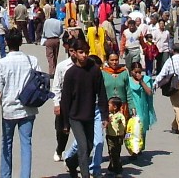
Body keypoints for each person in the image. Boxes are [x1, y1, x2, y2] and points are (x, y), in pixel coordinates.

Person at [0, 28, 40, 178]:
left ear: (6, 42)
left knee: (6, 143)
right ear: (21, 42)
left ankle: (5, 175)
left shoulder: (1, 63)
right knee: (26, 144)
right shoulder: (32, 60)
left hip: (9, 109)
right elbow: (39, 81)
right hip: (28, 108)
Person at [61, 40, 109, 178]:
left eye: (86, 52)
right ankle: (85, 175)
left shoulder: (94, 70)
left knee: (88, 146)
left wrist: (104, 115)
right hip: (74, 116)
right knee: (82, 146)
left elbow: (102, 93)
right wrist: (65, 123)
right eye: (81, 52)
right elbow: (65, 99)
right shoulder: (71, 73)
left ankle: (71, 162)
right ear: (74, 53)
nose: (84, 55)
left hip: (90, 115)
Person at [155, 43, 179, 141]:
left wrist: (155, 84)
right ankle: (175, 126)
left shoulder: (170, 61)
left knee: (177, 108)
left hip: (174, 85)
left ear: (172, 51)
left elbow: (162, 74)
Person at [51, 39, 77, 163]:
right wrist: (56, 104)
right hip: (63, 102)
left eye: (75, 51)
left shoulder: (84, 65)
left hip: (78, 102)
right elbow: (56, 86)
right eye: (71, 51)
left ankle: (76, 155)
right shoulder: (62, 66)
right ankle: (59, 149)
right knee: (62, 131)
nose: (73, 54)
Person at [127, 61, 156, 149]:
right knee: (132, 128)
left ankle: (140, 146)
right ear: (131, 71)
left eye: (139, 72)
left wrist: (141, 81)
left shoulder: (146, 79)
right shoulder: (128, 80)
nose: (138, 74)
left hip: (142, 107)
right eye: (135, 72)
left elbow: (149, 92)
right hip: (132, 107)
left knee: (141, 128)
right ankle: (133, 148)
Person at [106, 97, 127, 176]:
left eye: (109, 105)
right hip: (109, 136)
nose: (107, 107)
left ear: (114, 107)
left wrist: (120, 123)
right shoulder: (109, 115)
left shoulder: (120, 116)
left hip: (118, 137)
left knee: (116, 153)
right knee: (112, 152)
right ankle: (114, 168)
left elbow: (124, 125)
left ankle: (117, 170)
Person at [42, 8, 63, 76]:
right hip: (56, 39)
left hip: (49, 39)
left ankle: (51, 71)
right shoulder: (59, 22)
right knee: (55, 55)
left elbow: (44, 31)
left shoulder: (46, 21)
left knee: (50, 56)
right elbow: (61, 31)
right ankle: (55, 70)